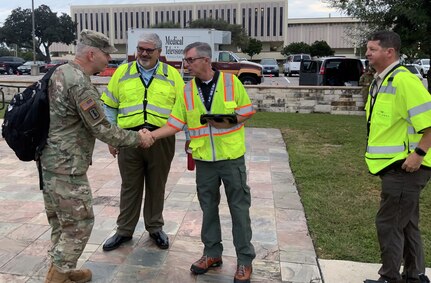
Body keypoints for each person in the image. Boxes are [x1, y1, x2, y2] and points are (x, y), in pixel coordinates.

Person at [41, 29, 152, 283]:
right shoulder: (79, 83)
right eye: (106, 55)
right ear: (92, 54)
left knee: (61, 222)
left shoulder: (60, 71)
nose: (108, 60)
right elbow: (102, 128)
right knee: (80, 224)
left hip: (50, 161)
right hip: (67, 166)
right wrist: (140, 138)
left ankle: (65, 271)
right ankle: (56, 276)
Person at [148, 41, 256, 283]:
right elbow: (175, 124)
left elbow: (248, 110)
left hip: (231, 159)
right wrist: (151, 135)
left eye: (190, 60)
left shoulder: (231, 82)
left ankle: (245, 260)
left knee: (239, 210)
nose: (186, 65)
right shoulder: (186, 91)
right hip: (204, 160)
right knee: (208, 210)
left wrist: (227, 120)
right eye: (185, 61)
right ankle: (212, 254)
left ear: (206, 60)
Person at [100, 33, 185, 251]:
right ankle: (124, 230)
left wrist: (185, 137)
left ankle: (155, 228)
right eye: (140, 49)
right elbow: (110, 105)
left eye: (149, 50)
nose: (144, 53)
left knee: (157, 184)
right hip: (127, 138)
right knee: (129, 185)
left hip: (161, 138)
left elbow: (182, 108)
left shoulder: (172, 74)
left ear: (159, 52)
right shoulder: (123, 72)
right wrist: (111, 137)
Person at [364, 30, 431, 283]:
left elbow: (430, 122)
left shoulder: (404, 81)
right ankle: (415, 276)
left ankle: (390, 278)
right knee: (407, 222)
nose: (367, 54)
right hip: (393, 165)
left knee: (389, 223)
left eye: (372, 49)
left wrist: (419, 155)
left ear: (389, 52)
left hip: (406, 166)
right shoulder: (382, 81)